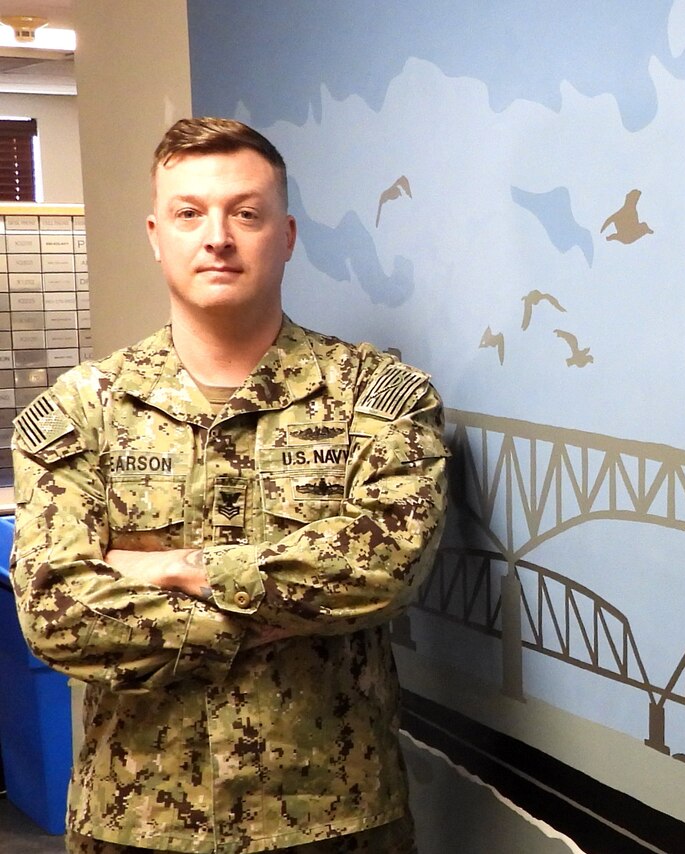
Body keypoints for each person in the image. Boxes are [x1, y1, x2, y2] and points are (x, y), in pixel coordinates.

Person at [9, 118, 448, 853]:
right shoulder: (83, 409)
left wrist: (178, 568)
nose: (217, 236)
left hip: (333, 817)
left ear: (287, 235)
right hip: (136, 819)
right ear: (156, 234)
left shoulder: (375, 396)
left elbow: (383, 569)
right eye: (190, 213)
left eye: (246, 212)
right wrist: (282, 605)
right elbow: (55, 613)